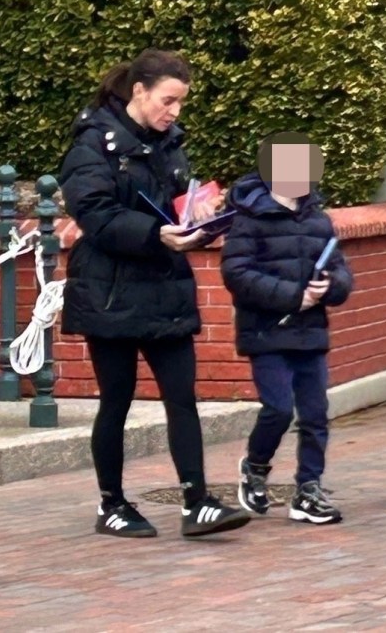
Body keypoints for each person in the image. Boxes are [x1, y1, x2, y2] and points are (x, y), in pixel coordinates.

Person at [59, 48, 250, 538]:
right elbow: (95, 214)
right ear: (138, 92)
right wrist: (153, 234)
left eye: (181, 103)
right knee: (116, 399)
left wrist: (198, 212)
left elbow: (173, 200)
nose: (175, 112)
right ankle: (112, 504)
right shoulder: (91, 146)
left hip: (164, 285)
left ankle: (198, 500)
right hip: (111, 289)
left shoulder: (170, 143)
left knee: (182, 396)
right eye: (168, 100)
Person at [221, 131, 353, 525]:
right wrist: (293, 296)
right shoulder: (249, 220)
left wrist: (330, 286)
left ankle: (308, 490)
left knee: (315, 414)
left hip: (311, 331)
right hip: (266, 331)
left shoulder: (319, 220)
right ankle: (256, 466)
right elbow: (237, 273)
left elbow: (342, 271)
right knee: (278, 408)